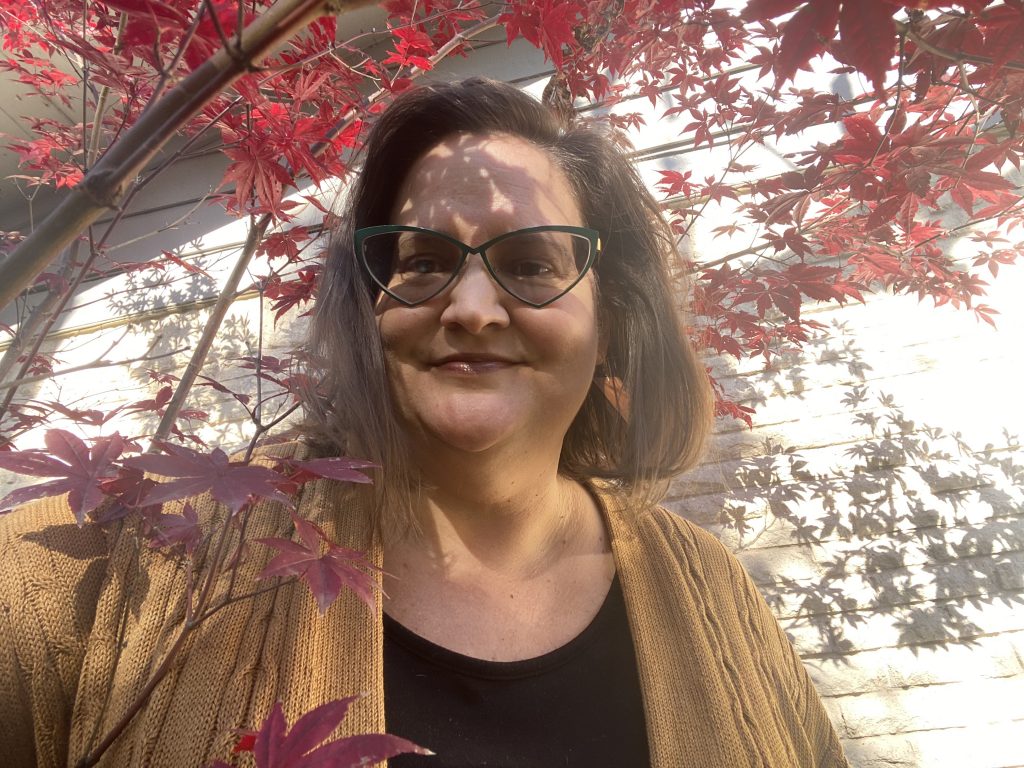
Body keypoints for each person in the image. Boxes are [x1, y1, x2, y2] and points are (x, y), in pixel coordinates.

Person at [0, 78, 849, 767]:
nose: (472, 308)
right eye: (425, 261)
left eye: (530, 263)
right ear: (372, 306)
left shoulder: (709, 589)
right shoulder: (127, 557)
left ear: (613, 317)